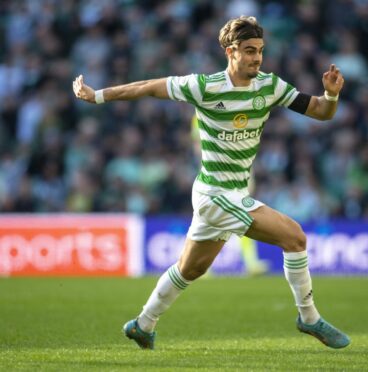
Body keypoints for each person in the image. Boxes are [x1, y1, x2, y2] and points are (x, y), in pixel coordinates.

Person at [73, 16, 349, 350]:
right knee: (294, 237)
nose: (257, 58)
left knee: (190, 269)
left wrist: (330, 96)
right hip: (214, 194)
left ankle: (143, 324)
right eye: (249, 51)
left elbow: (320, 112)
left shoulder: (270, 86)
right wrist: (97, 96)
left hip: (231, 193)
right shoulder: (204, 86)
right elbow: (147, 87)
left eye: (260, 50)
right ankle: (308, 318)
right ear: (231, 51)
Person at [191, 113, 270, 276]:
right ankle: (202, 266)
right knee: (210, 218)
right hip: (215, 173)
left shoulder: (237, 106)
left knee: (245, 214)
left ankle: (251, 263)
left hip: (240, 169)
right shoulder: (199, 115)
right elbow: (197, 145)